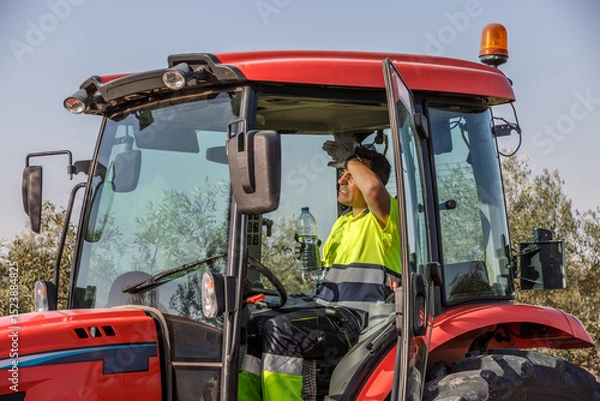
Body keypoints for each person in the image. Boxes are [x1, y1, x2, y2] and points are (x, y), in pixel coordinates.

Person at [238, 139, 401, 401]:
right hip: (331, 311)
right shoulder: (342, 223)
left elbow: (371, 187)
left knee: (283, 331)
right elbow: (320, 277)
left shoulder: (388, 217)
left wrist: (349, 158)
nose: (341, 181)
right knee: (256, 325)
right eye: (342, 175)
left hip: (362, 320)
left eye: (350, 176)